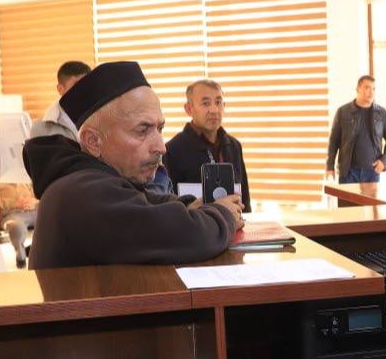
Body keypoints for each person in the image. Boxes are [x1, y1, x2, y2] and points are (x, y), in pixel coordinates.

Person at [23, 61, 243, 269]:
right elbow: (187, 235)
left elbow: (145, 201)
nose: (161, 147)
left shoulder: (91, 178)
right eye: (142, 130)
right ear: (93, 141)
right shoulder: (82, 192)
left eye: (160, 129)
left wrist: (190, 205)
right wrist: (223, 213)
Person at [164, 79, 251, 208]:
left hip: (233, 219)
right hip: (194, 220)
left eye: (218, 102)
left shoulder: (233, 146)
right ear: (189, 109)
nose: (214, 110)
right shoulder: (172, 150)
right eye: (206, 103)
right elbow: (168, 205)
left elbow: (245, 198)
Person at [326, 75, 386, 183]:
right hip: (348, 172)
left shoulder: (381, 113)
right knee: (346, 196)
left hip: (372, 172)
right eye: (367, 88)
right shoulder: (343, 112)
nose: (371, 92)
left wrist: (384, 160)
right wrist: (330, 167)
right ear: (358, 89)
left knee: (371, 196)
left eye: (373, 89)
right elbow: (334, 141)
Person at [31, 60, 90, 141]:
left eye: (87, 85)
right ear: (60, 89)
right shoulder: (41, 129)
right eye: (77, 86)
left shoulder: (102, 120)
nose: (83, 91)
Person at [0, 181, 38, 268]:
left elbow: (38, 198)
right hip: (11, 215)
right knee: (16, 226)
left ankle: (38, 249)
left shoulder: (27, 184)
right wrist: (14, 203)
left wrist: (33, 202)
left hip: (33, 212)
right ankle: (21, 257)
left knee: (50, 214)